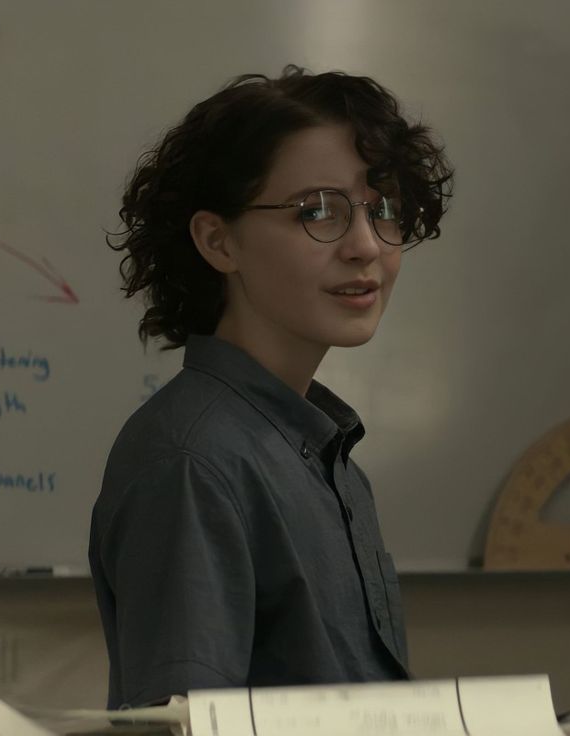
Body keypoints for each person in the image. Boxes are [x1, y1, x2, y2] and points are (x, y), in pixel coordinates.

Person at [89, 64, 454, 708]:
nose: (367, 246)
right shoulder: (193, 462)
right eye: (318, 212)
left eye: (384, 209)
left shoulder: (322, 451)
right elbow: (187, 723)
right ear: (217, 240)